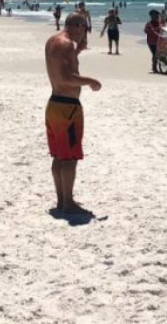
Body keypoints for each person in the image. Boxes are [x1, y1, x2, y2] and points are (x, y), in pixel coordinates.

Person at [44, 12, 102, 216]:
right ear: (77, 26)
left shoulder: (53, 41)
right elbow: (66, 78)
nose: (85, 32)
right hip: (67, 108)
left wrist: (78, 52)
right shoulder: (66, 44)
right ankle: (68, 203)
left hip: (55, 104)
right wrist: (91, 81)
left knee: (59, 156)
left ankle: (62, 200)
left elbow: (59, 67)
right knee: (69, 158)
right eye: (85, 27)